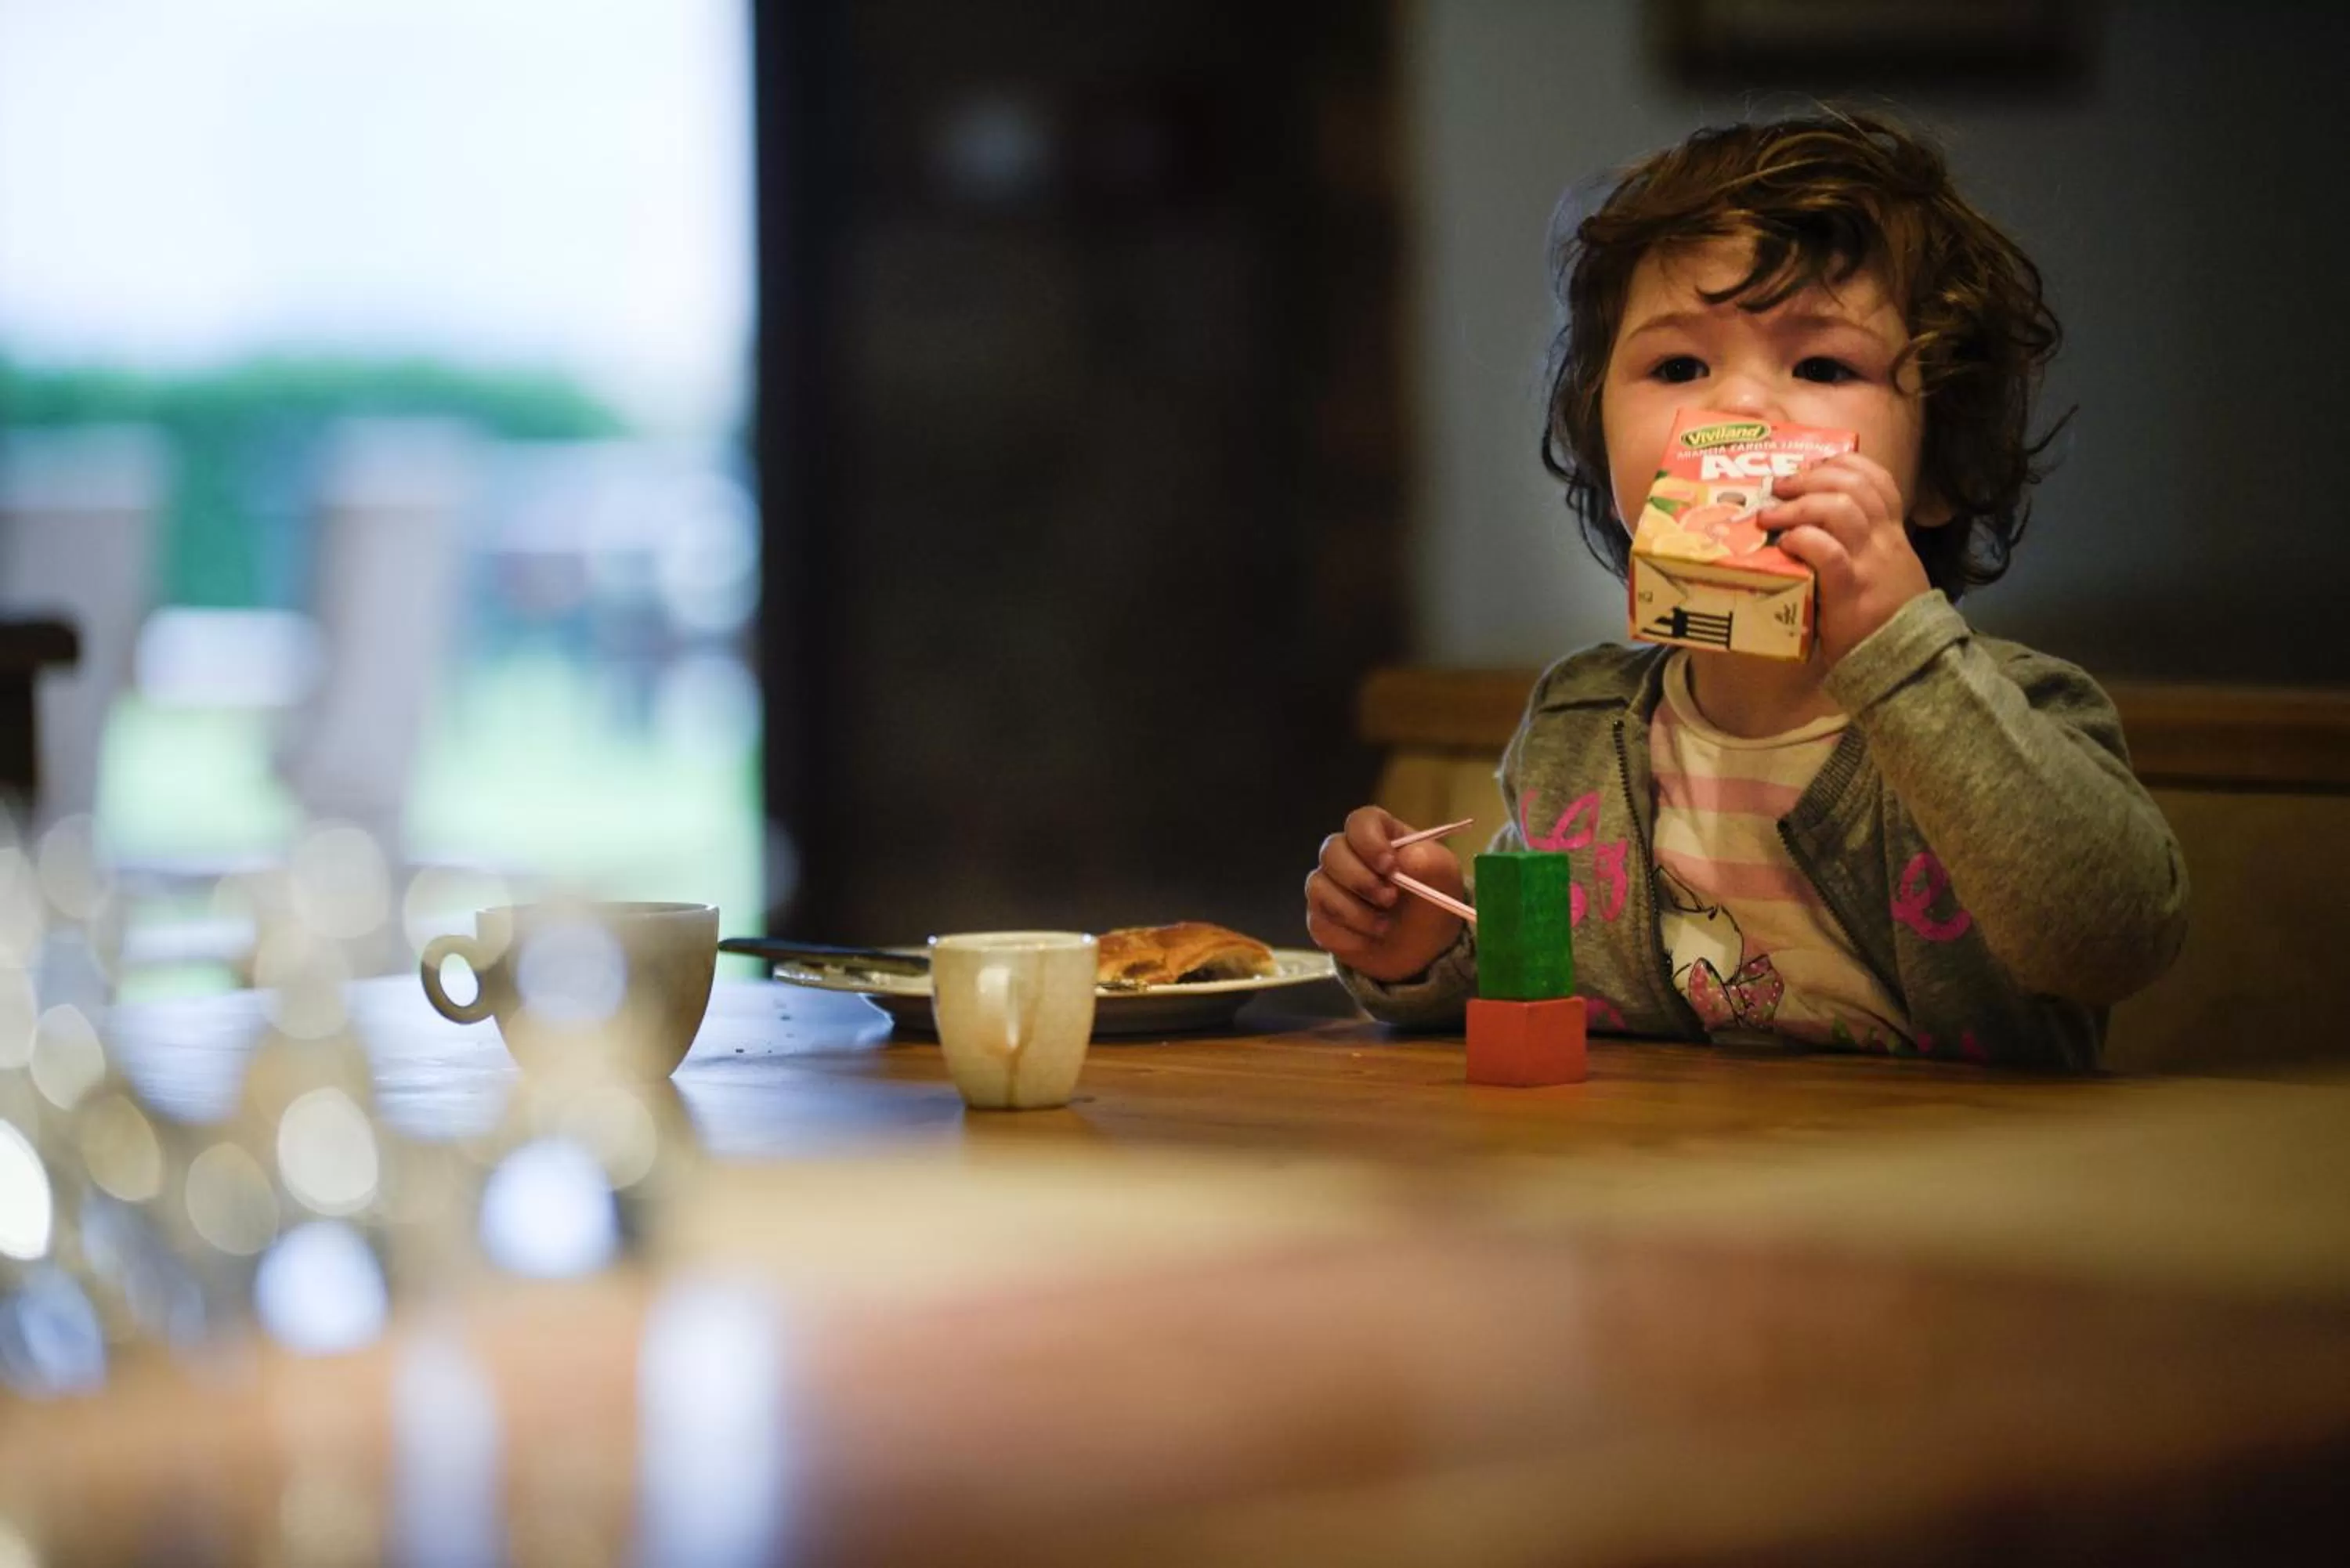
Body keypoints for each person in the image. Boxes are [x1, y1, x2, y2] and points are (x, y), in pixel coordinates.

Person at [1303, 111, 2187, 1069]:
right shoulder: (1578, 729)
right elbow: (1550, 990)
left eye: (1823, 366)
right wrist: (1426, 947)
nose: (1740, 410)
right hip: (1668, 1187)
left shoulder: (2018, 711)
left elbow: (2113, 940)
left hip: (1963, 1194)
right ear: (1606, 456)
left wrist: (1902, 644)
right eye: (1679, 366)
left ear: (1940, 468)